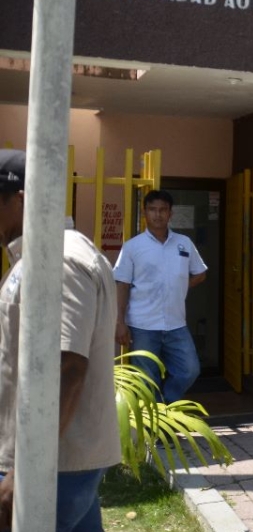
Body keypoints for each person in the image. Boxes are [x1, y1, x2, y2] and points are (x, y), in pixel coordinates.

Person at [0, 149, 121, 531]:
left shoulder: (61, 259)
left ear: (22, 200)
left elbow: (69, 366)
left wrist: (25, 471)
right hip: (59, 463)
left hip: (51, 467)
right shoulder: (40, 256)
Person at [113, 189, 207, 403]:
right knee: (146, 380)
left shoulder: (184, 243)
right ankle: (154, 429)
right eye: (153, 210)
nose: (158, 215)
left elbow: (200, 273)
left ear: (170, 213)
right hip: (142, 324)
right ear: (145, 212)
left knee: (189, 370)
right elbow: (122, 284)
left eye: (163, 210)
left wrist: (179, 286)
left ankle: (162, 406)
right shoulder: (133, 247)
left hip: (176, 323)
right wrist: (120, 322)